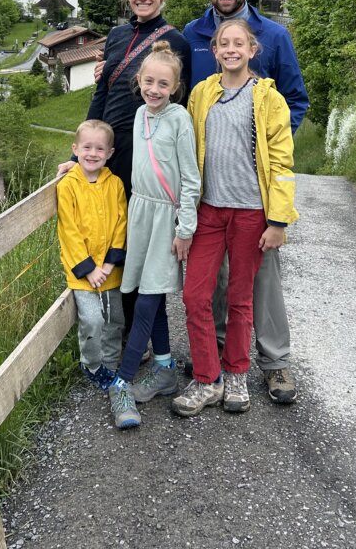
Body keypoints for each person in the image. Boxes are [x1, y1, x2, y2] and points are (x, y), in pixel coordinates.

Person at [182, 0, 309, 404]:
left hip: (255, 194)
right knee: (209, 283)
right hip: (211, 195)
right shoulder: (191, 35)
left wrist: (265, 149)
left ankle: (274, 362)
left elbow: (295, 99)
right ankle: (215, 359)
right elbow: (174, 96)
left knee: (260, 278)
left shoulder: (273, 35)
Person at [58, 0, 191, 335]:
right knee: (107, 238)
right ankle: (110, 328)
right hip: (111, 157)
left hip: (147, 163)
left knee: (142, 249)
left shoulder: (176, 43)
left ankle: (143, 334)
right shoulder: (116, 37)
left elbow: (176, 111)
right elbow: (100, 97)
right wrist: (84, 153)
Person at [107, 42, 201, 429]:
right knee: (151, 295)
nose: (155, 89)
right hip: (141, 214)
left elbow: (191, 179)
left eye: (164, 83)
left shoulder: (179, 119)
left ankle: (122, 381)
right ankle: (163, 368)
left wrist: (186, 229)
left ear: (176, 87)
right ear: (139, 82)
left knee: (147, 301)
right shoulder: (140, 115)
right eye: (149, 81)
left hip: (167, 219)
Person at [56, 120, 127, 390]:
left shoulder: (115, 184)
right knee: (93, 320)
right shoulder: (68, 186)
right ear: (75, 149)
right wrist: (88, 269)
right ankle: (92, 365)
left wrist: (109, 264)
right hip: (83, 274)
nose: (93, 153)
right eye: (87, 147)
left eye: (100, 148)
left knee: (114, 319)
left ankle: (110, 366)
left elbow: (121, 223)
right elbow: (69, 231)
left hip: (110, 271)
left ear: (109, 153)